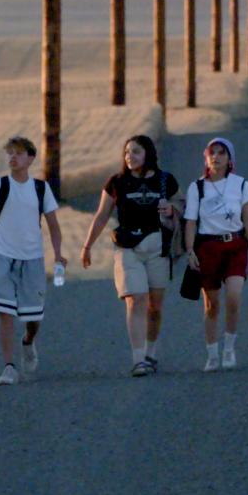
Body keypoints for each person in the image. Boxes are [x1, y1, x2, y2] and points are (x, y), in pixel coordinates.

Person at [81, 134, 181, 377]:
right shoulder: (116, 183)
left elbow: (184, 209)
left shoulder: (165, 180)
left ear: (148, 153)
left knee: (154, 306)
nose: (130, 156)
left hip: (157, 247)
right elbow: (102, 215)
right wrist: (87, 246)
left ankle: (150, 353)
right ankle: (138, 360)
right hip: (127, 247)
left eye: (135, 151)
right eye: (126, 152)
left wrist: (172, 209)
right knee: (136, 299)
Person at [0, 136, 63, 385]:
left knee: (33, 317)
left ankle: (28, 341)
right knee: (5, 312)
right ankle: (9, 367)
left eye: (19, 153)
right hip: (2, 255)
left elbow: (53, 225)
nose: (13, 157)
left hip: (32, 258)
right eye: (10, 153)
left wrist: (58, 253)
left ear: (30, 158)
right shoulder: (1, 185)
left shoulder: (40, 188)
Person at [183, 137, 248, 372]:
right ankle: (212, 353)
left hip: (235, 245)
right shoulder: (197, 187)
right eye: (211, 153)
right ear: (206, 157)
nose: (216, 157)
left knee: (233, 297)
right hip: (208, 248)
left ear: (229, 158)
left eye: (221, 153)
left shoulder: (241, 185)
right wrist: (190, 251)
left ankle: (229, 349)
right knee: (212, 304)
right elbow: (191, 222)